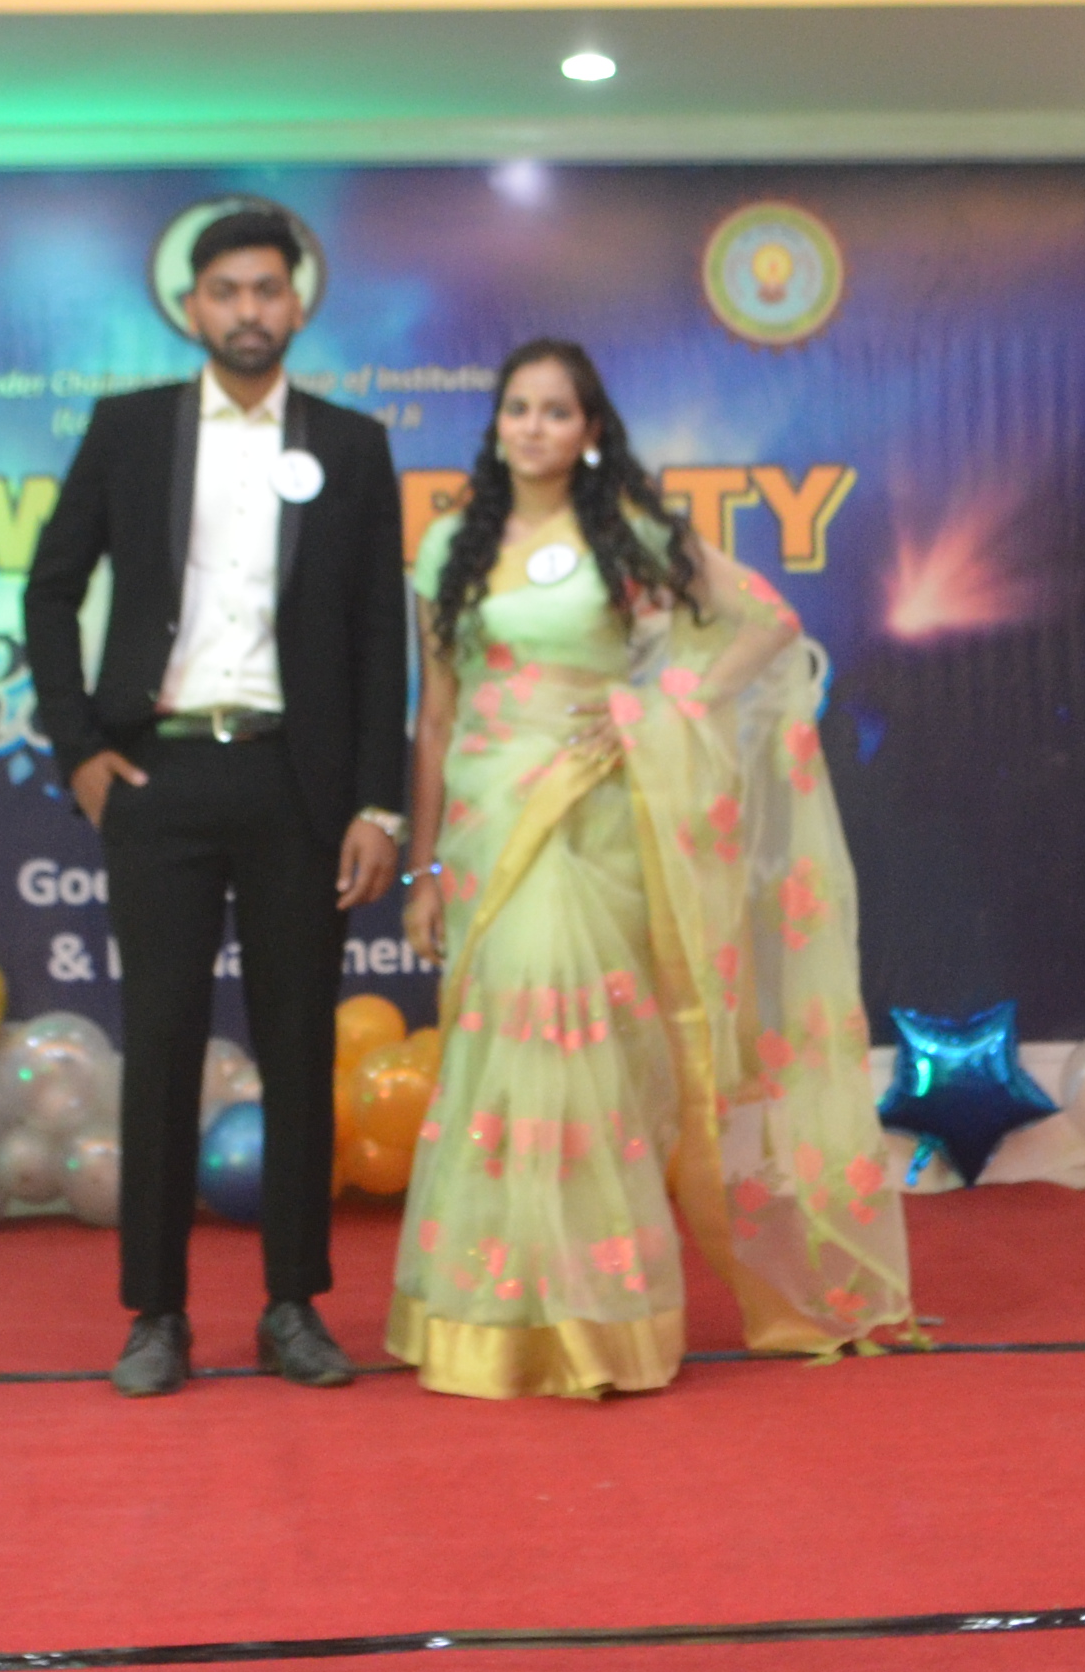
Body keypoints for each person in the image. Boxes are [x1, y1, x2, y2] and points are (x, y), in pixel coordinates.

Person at [390, 339, 913, 1399]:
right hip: (489, 820)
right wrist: (423, 869)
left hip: (594, 814)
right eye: (517, 408)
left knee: (579, 1047)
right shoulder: (447, 543)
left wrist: (665, 704)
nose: (533, 427)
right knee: (503, 1053)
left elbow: (769, 622)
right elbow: (435, 716)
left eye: (556, 411)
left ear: (590, 432)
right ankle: (497, 1315)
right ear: (496, 424)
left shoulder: (626, 531)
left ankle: (594, 1321)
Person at [21, 201, 407, 1399]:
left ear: (297, 305)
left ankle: (293, 1305)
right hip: (161, 776)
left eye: (266, 291)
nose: (247, 311)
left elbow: (376, 639)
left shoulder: (351, 445)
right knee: (162, 1046)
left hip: (298, 784)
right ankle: (156, 1313)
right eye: (226, 291)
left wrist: (379, 806)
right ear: (192, 306)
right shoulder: (129, 429)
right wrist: (79, 750)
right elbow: (48, 590)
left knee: (298, 1049)